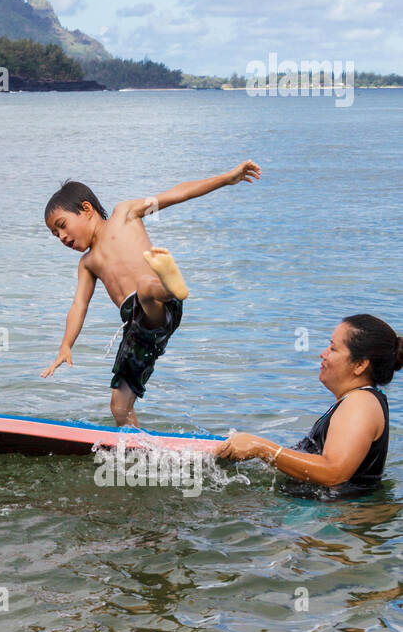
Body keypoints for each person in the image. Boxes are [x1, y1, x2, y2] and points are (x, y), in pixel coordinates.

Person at [41, 162, 261, 426]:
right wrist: (66, 345)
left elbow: (178, 193)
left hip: (160, 303)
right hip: (139, 329)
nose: (62, 237)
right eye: (56, 234)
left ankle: (169, 285)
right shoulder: (87, 264)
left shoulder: (125, 214)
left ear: (86, 209)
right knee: (119, 405)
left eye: (62, 225)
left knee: (145, 287)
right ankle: (141, 451)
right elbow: (79, 305)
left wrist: (227, 178)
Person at [217, 316, 400, 498]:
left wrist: (261, 448)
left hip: (335, 516)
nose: (323, 353)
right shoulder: (357, 400)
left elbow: (333, 473)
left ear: (360, 365)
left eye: (333, 348)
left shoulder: (360, 403)